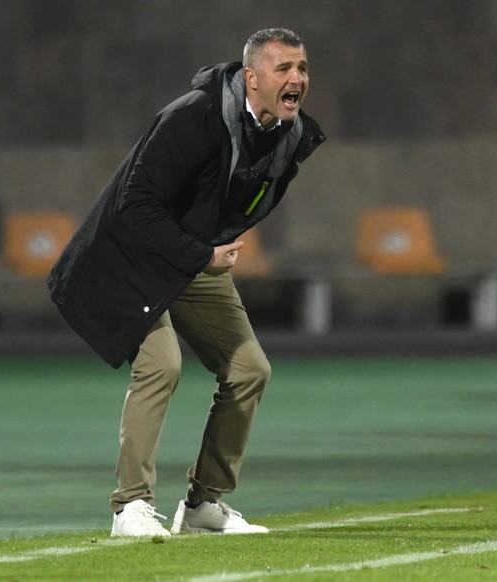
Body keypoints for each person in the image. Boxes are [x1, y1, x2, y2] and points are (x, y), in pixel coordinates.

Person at [48, 28, 325, 537]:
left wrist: (205, 250)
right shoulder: (193, 115)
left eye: (302, 68)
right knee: (162, 364)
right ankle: (129, 506)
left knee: (249, 370)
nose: (297, 78)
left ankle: (202, 506)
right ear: (251, 77)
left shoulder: (289, 134)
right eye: (284, 68)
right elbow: (135, 204)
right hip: (128, 255)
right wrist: (202, 252)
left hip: (190, 257)